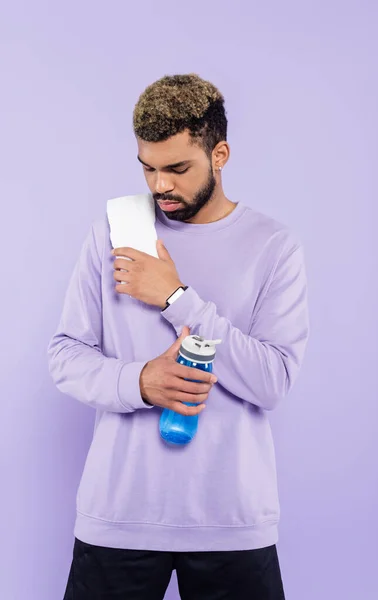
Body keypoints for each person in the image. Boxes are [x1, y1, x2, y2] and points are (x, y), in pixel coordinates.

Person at [48, 73, 309, 600]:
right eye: (147, 167)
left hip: (232, 520)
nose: (159, 185)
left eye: (176, 168)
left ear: (220, 154)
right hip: (119, 514)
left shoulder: (273, 246)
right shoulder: (117, 228)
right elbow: (65, 355)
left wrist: (177, 298)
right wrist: (140, 381)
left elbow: (274, 382)